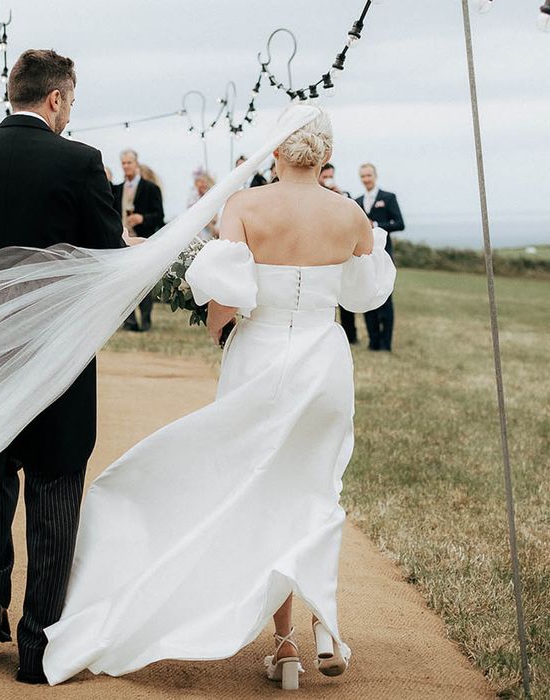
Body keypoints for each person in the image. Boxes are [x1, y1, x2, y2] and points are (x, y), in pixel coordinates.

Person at [42, 108, 396, 690]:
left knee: (260, 492)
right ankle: (324, 624)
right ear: (323, 153)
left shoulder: (246, 207)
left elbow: (225, 301)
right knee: (315, 487)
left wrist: (222, 331)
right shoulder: (351, 214)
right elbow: (364, 295)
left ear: (275, 152)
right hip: (325, 362)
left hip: (261, 359)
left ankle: (284, 648)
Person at [0, 49, 124, 685]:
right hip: (57, 354)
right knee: (55, 481)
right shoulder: (81, 163)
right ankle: (37, 643)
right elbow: (105, 261)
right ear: (57, 99)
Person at [111, 149, 165, 331]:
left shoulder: (151, 189)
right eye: (123, 163)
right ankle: (130, 321)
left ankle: (146, 319)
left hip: (143, 241)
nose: (126, 166)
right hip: (122, 243)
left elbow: (159, 215)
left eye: (129, 163)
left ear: (136, 164)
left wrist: (142, 218)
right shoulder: (117, 190)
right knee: (124, 282)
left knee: (144, 282)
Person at [354, 163, 405, 351]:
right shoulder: (358, 201)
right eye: (363, 176)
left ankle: (386, 343)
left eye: (368, 175)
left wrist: (375, 223)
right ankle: (373, 341)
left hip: (383, 254)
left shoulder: (388, 198)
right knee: (368, 296)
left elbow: (399, 223)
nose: (366, 179)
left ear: (375, 176)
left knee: (385, 298)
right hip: (365, 256)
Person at [318, 163, 357, 343]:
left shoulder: (343, 196)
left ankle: (350, 334)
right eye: (325, 176)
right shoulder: (314, 195)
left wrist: (338, 195)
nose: (328, 180)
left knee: (345, 293)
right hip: (320, 251)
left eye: (330, 176)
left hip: (339, 252)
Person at [190, 169, 218, 241]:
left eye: (205, 182)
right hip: (200, 232)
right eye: (201, 182)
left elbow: (215, 216)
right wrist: (212, 228)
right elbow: (199, 216)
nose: (204, 184)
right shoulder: (194, 198)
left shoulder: (211, 197)